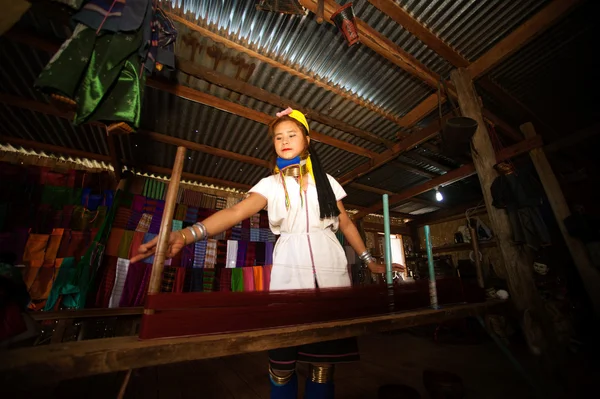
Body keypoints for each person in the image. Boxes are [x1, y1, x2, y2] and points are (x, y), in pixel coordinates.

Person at [132, 108, 405, 398]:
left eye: (292, 134)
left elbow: (346, 224)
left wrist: (368, 261)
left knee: (323, 367)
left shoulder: (326, 182)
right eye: (278, 137)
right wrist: (185, 235)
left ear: (307, 140)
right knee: (282, 365)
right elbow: (236, 211)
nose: (284, 140)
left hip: (331, 273)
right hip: (290, 274)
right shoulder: (270, 185)